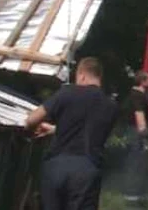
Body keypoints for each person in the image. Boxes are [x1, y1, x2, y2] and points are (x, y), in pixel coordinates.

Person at [24, 57, 117, 210]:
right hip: (88, 169)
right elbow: (89, 130)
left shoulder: (67, 93)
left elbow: (31, 120)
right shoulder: (111, 106)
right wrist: (55, 130)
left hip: (57, 165)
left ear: (82, 75)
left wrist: (34, 128)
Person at [123, 70, 148, 208]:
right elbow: (139, 116)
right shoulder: (138, 97)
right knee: (137, 163)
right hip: (136, 133)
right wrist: (145, 137)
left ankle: (134, 194)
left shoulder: (133, 95)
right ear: (143, 81)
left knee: (134, 161)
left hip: (132, 132)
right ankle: (133, 195)